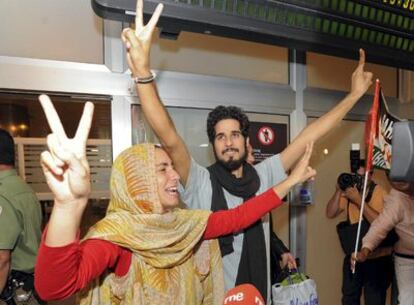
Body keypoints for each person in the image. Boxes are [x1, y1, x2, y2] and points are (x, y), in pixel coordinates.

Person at [121, 0, 373, 301]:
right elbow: (169, 136)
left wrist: (355, 95)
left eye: (235, 134)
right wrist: (144, 74)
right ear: (213, 144)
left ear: (246, 140)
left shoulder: (266, 173)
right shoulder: (201, 182)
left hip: (260, 296)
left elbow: (311, 134)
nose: (228, 142)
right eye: (220, 137)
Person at [34, 95, 316, 304]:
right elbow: (54, 287)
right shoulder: (119, 237)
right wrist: (68, 207)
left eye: (172, 167)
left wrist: (290, 181)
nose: (174, 177)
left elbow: (238, 218)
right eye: (162, 169)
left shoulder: (183, 223)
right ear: (137, 180)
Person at [326, 162, 393, 305]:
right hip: (354, 257)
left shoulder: (380, 192)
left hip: (377, 259)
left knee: (374, 300)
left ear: (372, 175)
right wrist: (339, 190)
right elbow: (330, 213)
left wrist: (358, 200)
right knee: (349, 299)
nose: (361, 180)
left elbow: (380, 223)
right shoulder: (350, 192)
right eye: (358, 176)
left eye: (365, 176)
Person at [352, 181, 414, 305]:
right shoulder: (396, 199)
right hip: (406, 260)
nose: (397, 180)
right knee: (407, 301)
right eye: (391, 175)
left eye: (400, 174)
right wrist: (365, 250)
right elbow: (380, 226)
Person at [0, 129, 43, 305]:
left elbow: (2, 258)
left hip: (14, 288)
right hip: (32, 285)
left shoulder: (3, 194)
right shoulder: (23, 188)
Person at [246, 142, 297, 283]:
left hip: (265, 269)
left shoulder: (256, 189)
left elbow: (265, 229)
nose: (252, 159)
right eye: (249, 154)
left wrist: (282, 251)